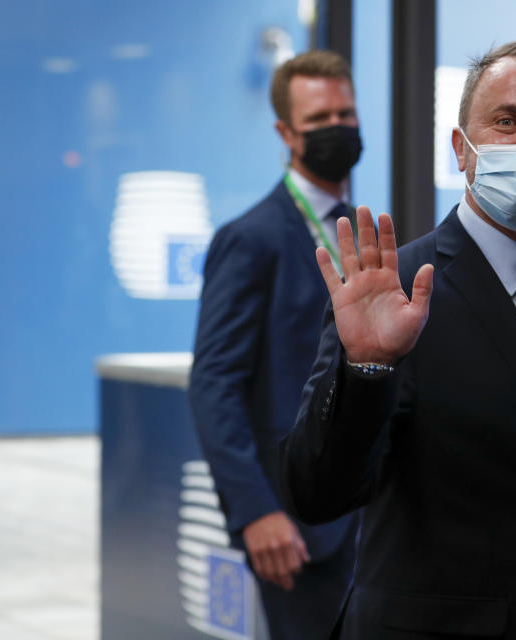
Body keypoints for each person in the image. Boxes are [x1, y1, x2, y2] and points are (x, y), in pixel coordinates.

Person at [280, 36, 516, 639]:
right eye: (506, 121)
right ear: (460, 148)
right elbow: (317, 492)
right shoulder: (397, 289)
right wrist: (367, 367)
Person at [188, 50, 361, 640]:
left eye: (346, 114)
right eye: (319, 121)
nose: (337, 130)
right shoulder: (250, 239)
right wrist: (255, 510)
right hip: (295, 528)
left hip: (371, 518)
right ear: (285, 133)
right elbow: (214, 385)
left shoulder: (364, 234)